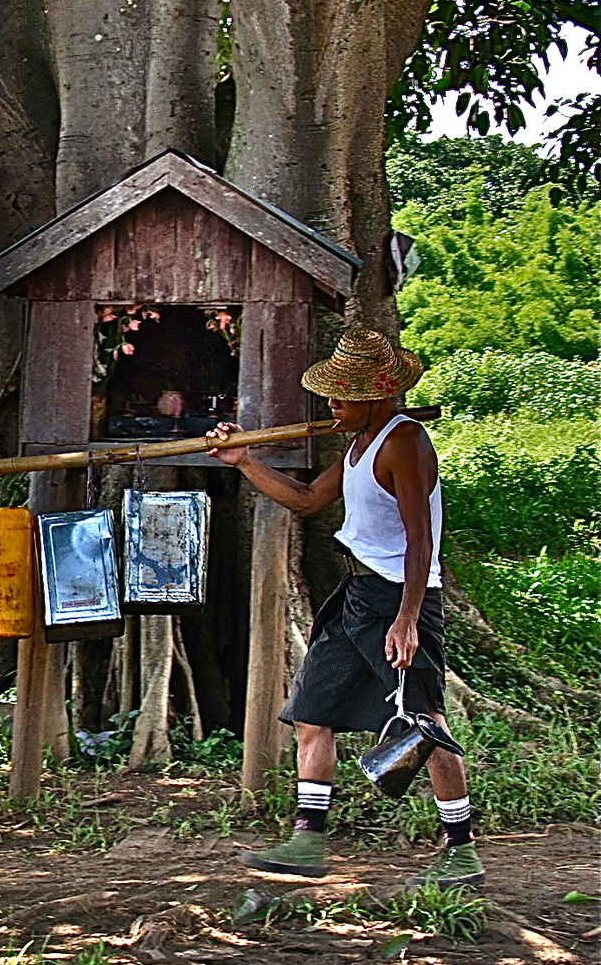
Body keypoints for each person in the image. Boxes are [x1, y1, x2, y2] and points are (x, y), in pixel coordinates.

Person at [207, 328, 483, 889]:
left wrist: (407, 618)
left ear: (379, 395)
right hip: (356, 595)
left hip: (399, 597)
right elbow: (308, 501)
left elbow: (421, 539)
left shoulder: (404, 441)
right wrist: (244, 462)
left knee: (423, 724)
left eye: (343, 394)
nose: (331, 403)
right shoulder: (358, 442)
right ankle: (308, 840)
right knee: (313, 713)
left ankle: (461, 851)